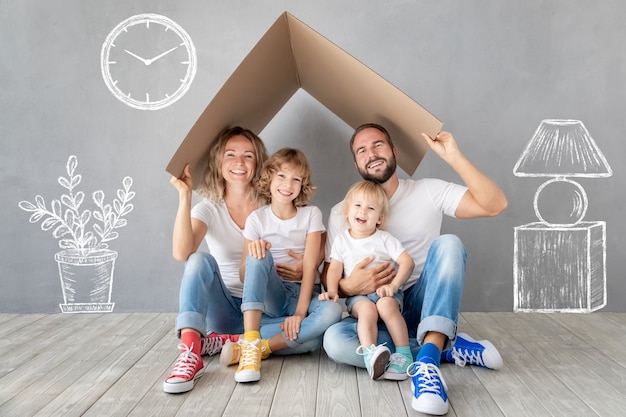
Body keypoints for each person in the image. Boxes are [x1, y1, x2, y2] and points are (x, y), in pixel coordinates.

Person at [322, 124, 508, 415]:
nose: (371, 154)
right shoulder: (342, 212)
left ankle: (427, 364)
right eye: (362, 150)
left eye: (378, 145)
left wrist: (454, 157)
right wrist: (348, 287)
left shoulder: (428, 191)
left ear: (394, 152)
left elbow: (495, 204)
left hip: (422, 302)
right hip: (375, 311)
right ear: (357, 162)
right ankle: (443, 345)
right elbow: (330, 271)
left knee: (448, 244)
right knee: (334, 341)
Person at [163, 127, 309, 394]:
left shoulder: (274, 202)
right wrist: (185, 196)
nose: (239, 163)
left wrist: (303, 266)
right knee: (198, 261)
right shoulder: (208, 207)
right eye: (230, 155)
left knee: (310, 338)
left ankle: (233, 343)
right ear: (219, 162)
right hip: (226, 310)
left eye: (248, 156)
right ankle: (190, 354)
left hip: (267, 312)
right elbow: (181, 253)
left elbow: (304, 242)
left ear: (258, 163)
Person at [221, 147, 343, 383]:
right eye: (282, 176)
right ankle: (253, 341)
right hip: (272, 295)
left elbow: (309, 267)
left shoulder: (311, 215)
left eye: (296, 179)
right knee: (258, 255)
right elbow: (245, 276)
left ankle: (253, 345)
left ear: (302, 184)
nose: (288, 184)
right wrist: (256, 254)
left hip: (303, 294)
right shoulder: (257, 218)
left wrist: (299, 313)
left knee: (331, 315)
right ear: (269, 178)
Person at [319, 180, 415, 381]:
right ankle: (371, 354)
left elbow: (407, 262)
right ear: (347, 212)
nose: (363, 211)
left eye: (370, 208)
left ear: (379, 218)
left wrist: (393, 285)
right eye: (357, 205)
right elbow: (335, 268)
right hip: (358, 297)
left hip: (385, 292)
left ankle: (404, 354)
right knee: (367, 310)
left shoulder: (384, 239)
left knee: (387, 306)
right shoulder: (342, 240)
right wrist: (333, 290)